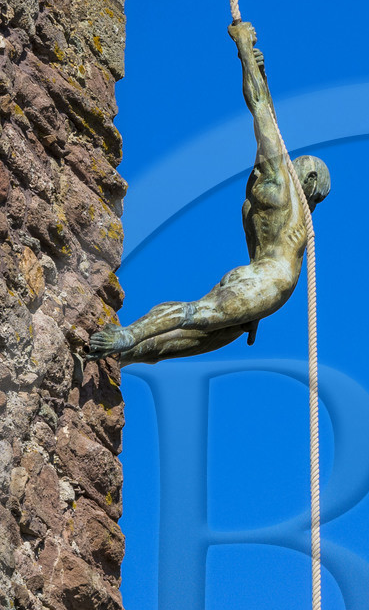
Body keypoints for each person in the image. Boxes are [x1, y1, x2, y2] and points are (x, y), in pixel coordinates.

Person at [84, 19, 329, 364]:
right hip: (268, 283)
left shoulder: (271, 189)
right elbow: (260, 107)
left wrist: (256, 65)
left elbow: (267, 116)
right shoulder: (284, 190)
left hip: (257, 282)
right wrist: (243, 48)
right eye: (316, 195)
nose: (312, 203)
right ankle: (127, 337)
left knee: (182, 341)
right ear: (311, 179)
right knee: (194, 315)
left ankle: (115, 358)